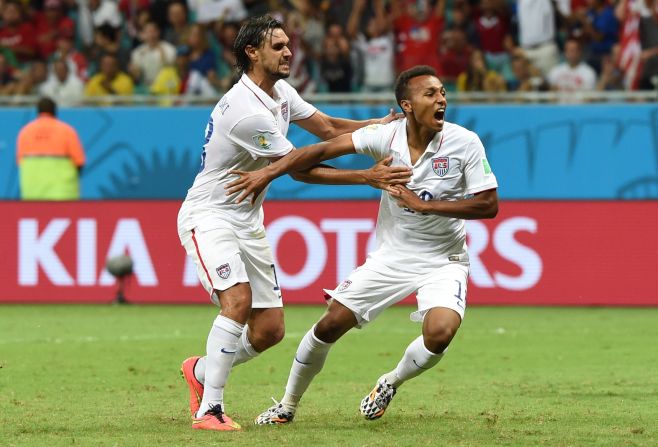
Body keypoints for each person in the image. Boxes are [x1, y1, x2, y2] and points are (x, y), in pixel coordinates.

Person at [224, 65, 499, 425]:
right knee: (328, 326)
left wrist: (424, 205)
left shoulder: (465, 142)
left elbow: (488, 204)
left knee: (440, 333)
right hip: (391, 257)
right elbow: (320, 151)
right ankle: (287, 406)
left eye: (443, 92)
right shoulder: (385, 137)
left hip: (443, 260)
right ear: (407, 105)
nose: (441, 99)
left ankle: (390, 381)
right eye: (430, 94)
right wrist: (269, 171)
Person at [176, 15, 411, 432]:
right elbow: (298, 168)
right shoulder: (245, 110)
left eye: (288, 44)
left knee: (268, 331)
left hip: (247, 217)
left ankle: (201, 371)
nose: (289, 52)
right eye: (279, 46)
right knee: (238, 301)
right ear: (252, 53)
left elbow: (327, 128)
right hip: (210, 214)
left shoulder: (280, 91)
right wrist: (366, 176)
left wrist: (379, 126)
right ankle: (208, 410)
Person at [16, 97, 86, 200]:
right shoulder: (67, 130)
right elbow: (79, 161)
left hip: (32, 191)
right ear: (55, 111)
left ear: (38, 111)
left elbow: (21, 162)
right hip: (62, 191)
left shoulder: (25, 132)